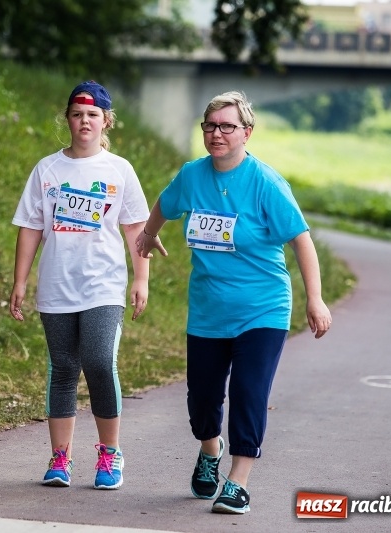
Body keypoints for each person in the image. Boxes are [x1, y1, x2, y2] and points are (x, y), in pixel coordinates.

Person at [135, 91, 332, 514]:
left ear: (247, 132)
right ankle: (211, 449)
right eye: (210, 126)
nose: (217, 134)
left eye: (227, 126)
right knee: (202, 401)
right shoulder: (192, 175)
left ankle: (238, 481)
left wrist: (315, 299)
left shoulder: (265, 182)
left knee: (248, 392)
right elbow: (165, 205)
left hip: (263, 309)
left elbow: (301, 240)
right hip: (208, 310)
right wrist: (150, 235)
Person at [9, 80, 151, 490]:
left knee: (99, 361)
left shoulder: (119, 170)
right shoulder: (48, 169)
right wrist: (20, 280)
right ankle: (60, 459)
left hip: (104, 284)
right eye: (77, 114)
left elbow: (136, 230)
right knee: (64, 368)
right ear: (67, 119)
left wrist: (140, 279)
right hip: (56, 285)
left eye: (92, 115)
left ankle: (110, 455)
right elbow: (30, 227)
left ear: (106, 121)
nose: (84, 121)